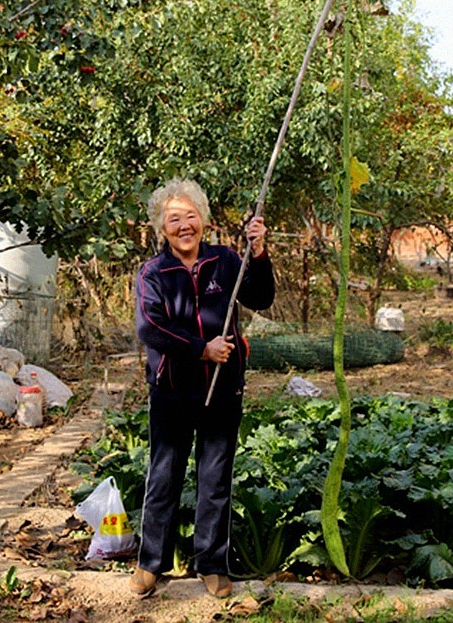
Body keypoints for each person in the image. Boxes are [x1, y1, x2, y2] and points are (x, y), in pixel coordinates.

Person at [130, 178, 275, 599]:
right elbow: (150, 328)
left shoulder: (225, 260)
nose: (184, 226)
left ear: (204, 220)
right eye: (174, 219)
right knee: (164, 476)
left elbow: (261, 298)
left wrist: (259, 253)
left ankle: (211, 564)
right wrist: (201, 349)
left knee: (215, 479)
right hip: (172, 390)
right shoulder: (153, 273)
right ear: (162, 227)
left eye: (190, 216)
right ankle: (151, 563)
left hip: (223, 389)